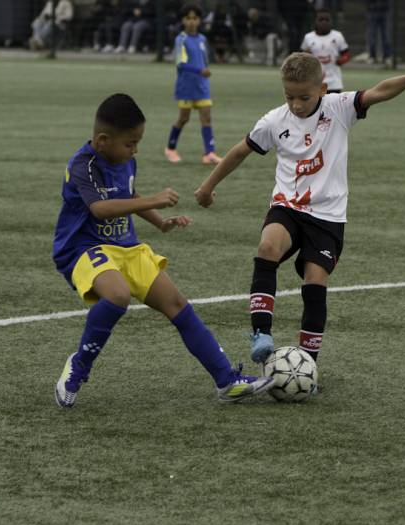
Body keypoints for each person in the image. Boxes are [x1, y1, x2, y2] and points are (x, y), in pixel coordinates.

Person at [194, 53, 405, 367]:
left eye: (304, 97)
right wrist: (207, 185)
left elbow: (380, 91)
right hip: (288, 206)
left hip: (328, 216)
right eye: (289, 96)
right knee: (268, 245)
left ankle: (307, 365)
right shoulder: (274, 121)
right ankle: (261, 334)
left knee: (314, 282)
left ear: (323, 88)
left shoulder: (339, 108)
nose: (296, 104)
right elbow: (241, 150)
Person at [52, 93, 272, 408]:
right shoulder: (83, 165)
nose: (135, 149)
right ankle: (78, 367)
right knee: (117, 296)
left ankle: (226, 380)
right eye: (130, 143)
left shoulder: (125, 159)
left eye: (137, 142)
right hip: (83, 248)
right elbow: (100, 208)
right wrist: (153, 200)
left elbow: (128, 193)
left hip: (126, 247)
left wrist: (160, 223)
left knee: (177, 304)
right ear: (102, 140)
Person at [165, 4, 222, 166]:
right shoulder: (181, 39)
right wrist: (200, 70)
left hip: (202, 86)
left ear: (199, 21)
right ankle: (170, 148)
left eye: (195, 18)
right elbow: (180, 64)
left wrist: (204, 73)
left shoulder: (203, 39)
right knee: (183, 118)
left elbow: (204, 61)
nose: (191, 22)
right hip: (186, 87)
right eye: (188, 18)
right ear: (183, 20)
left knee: (207, 118)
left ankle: (209, 153)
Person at [301, 9, 350, 93]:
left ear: (331, 21)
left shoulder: (337, 36)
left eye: (327, 20)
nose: (324, 22)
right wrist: (306, 56)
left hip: (334, 82)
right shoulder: (308, 37)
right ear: (315, 21)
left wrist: (341, 60)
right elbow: (301, 56)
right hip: (315, 82)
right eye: (321, 20)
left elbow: (346, 53)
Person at [364, 0, 391, 65]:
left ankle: (387, 57)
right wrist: (369, 5)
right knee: (371, 36)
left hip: (384, 11)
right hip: (372, 10)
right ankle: (372, 56)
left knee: (386, 36)